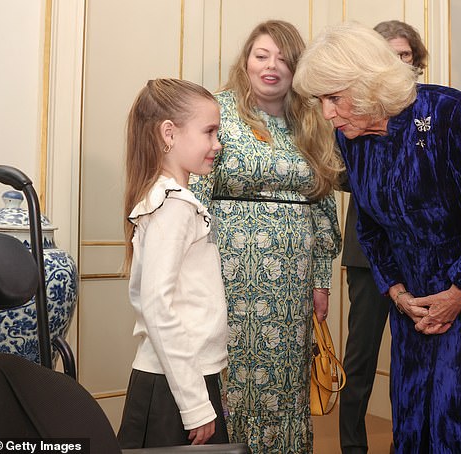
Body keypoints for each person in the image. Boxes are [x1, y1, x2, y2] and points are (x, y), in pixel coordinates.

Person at [293, 22, 461, 453]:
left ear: (367, 85)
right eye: (320, 100)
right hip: (414, 301)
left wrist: (457, 293)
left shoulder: (448, 113)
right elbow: (370, 224)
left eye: (333, 98)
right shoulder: (352, 139)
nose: (328, 113)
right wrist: (397, 292)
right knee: (415, 414)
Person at [189, 20, 342, 454]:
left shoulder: (311, 122)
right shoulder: (215, 112)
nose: (271, 67)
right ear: (246, 60)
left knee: (286, 377)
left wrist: (320, 279)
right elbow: (195, 191)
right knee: (229, 372)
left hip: (292, 283)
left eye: (283, 59)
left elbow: (323, 205)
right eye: (262, 55)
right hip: (225, 274)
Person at [117, 79, 228, 448]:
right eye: (209, 132)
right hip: (175, 386)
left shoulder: (169, 199)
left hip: (179, 378)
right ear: (169, 133)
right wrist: (196, 406)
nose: (217, 144)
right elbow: (158, 307)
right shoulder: (174, 206)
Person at [339, 20, 428, 454]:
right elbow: (334, 174)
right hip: (368, 258)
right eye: (387, 54)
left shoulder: (432, 113)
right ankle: (352, 447)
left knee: (416, 361)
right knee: (360, 361)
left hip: (422, 258)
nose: (397, 63)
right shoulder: (348, 112)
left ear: (416, 62)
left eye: (405, 55)